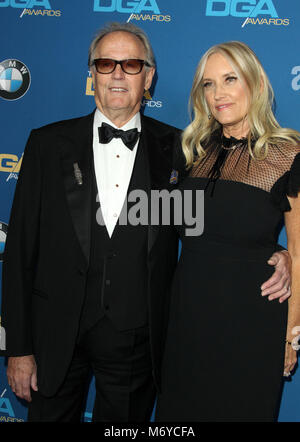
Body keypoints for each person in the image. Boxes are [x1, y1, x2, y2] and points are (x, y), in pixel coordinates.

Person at [0, 25, 292, 422]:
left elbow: (220, 216)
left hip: (138, 343)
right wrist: (19, 347)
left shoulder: (178, 148)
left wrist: (281, 254)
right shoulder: (47, 145)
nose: (118, 74)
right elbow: (17, 253)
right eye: (106, 64)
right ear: (92, 74)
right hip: (56, 339)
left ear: (148, 77)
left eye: (131, 64)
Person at [155, 41, 300, 422]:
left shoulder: (289, 154)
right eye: (208, 84)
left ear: (254, 83)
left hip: (253, 321)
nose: (217, 93)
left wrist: (290, 337)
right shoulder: (190, 149)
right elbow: (159, 226)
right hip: (187, 317)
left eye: (229, 79)